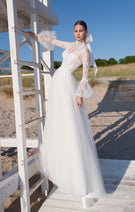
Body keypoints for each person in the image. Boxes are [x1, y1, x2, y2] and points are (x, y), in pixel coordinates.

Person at [26, 20, 105, 208]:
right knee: (58, 119)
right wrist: (35, 36)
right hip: (58, 82)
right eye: (76, 31)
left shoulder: (84, 51)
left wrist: (80, 95)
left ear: (86, 32)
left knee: (71, 123)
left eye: (81, 31)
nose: (78, 33)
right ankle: (50, 150)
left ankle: (79, 178)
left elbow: (85, 75)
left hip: (68, 84)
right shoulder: (70, 45)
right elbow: (54, 42)